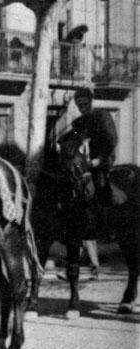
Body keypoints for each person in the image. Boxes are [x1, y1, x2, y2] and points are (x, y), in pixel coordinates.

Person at [70, 87, 117, 280]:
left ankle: (110, 225)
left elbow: (111, 141)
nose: (83, 108)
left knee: (100, 189)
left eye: (85, 104)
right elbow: (72, 145)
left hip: (101, 163)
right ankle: (92, 263)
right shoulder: (77, 123)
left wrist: (99, 160)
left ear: (91, 101)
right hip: (83, 168)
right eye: (79, 105)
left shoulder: (103, 117)